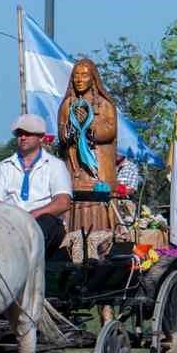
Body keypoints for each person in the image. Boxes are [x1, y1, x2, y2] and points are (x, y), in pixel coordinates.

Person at [0, 114, 72, 254]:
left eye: (28, 133)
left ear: (41, 137)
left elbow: (63, 202)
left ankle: (21, 259)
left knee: (47, 223)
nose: (23, 137)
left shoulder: (55, 165)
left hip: (43, 223)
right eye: (19, 134)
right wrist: (9, 215)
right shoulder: (4, 166)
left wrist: (33, 215)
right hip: (9, 223)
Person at [57, 58, 118, 232]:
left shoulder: (104, 104)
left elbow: (110, 131)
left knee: (97, 205)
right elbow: (62, 134)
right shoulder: (67, 105)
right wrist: (71, 128)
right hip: (75, 170)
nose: (79, 79)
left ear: (93, 78)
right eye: (76, 75)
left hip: (97, 169)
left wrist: (89, 127)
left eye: (84, 75)